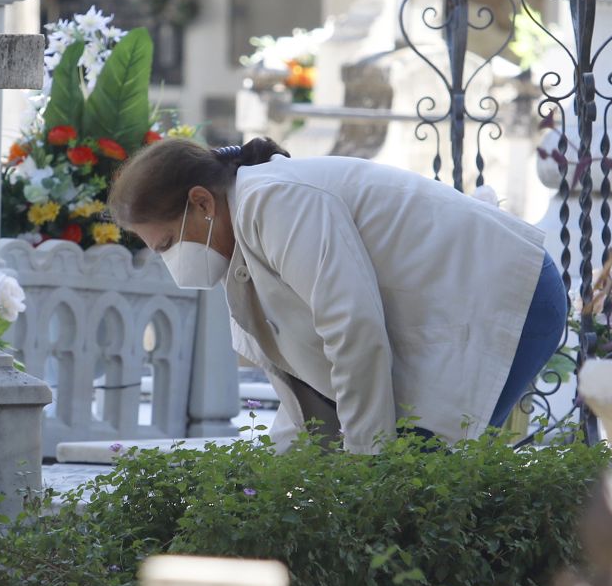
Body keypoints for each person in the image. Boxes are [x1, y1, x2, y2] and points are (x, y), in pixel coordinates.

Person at [108, 138, 567, 453]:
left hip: (511, 293)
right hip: (464, 303)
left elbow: (353, 329)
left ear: (203, 203)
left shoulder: (275, 201)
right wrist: (283, 478)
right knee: (414, 471)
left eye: (167, 244)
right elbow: (306, 385)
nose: (171, 262)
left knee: (420, 474)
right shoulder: (246, 239)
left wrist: (364, 469)